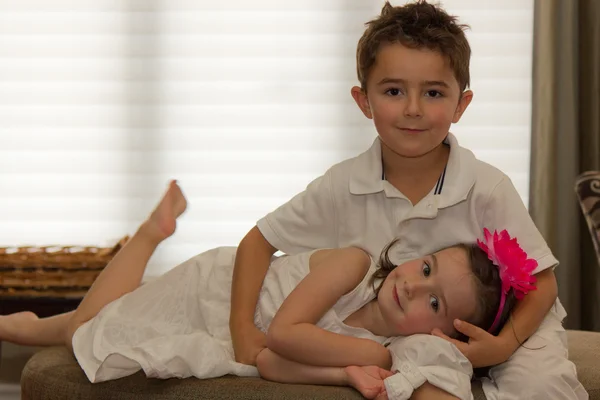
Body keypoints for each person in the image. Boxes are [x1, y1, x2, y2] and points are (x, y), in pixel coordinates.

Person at [229, 1, 588, 399]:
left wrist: (503, 345)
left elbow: (541, 281)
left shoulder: (487, 188)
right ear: (364, 101)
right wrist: (242, 329)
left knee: (541, 386)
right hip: (414, 332)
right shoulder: (341, 185)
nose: (413, 109)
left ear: (460, 105)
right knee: (415, 380)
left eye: (433, 93)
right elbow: (258, 242)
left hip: (515, 325)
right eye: (394, 91)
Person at [0, 181, 524, 400]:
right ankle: (149, 235)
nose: (413, 287)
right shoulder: (353, 265)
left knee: (73, 327)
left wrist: (342, 374)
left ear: (439, 332)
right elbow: (281, 333)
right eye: (426, 268)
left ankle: (18, 326)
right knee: (90, 330)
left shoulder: (384, 352)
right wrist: (360, 356)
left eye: (434, 303)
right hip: (218, 293)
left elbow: (271, 364)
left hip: (232, 335)